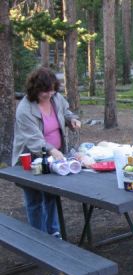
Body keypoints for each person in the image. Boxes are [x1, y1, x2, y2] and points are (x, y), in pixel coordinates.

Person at [12, 67, 81, 238]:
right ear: (35, 89)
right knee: (35, 199)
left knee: (51, 195)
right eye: (45, 91)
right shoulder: (24, 109)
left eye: (52, 90)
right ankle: (39, 237)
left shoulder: (55, 98)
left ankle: (54, 231)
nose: (49, 95)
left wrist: (72, 119)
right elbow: (34, 140)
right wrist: (52, 150)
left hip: (54, 157)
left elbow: (65, 111)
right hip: (30, 159)